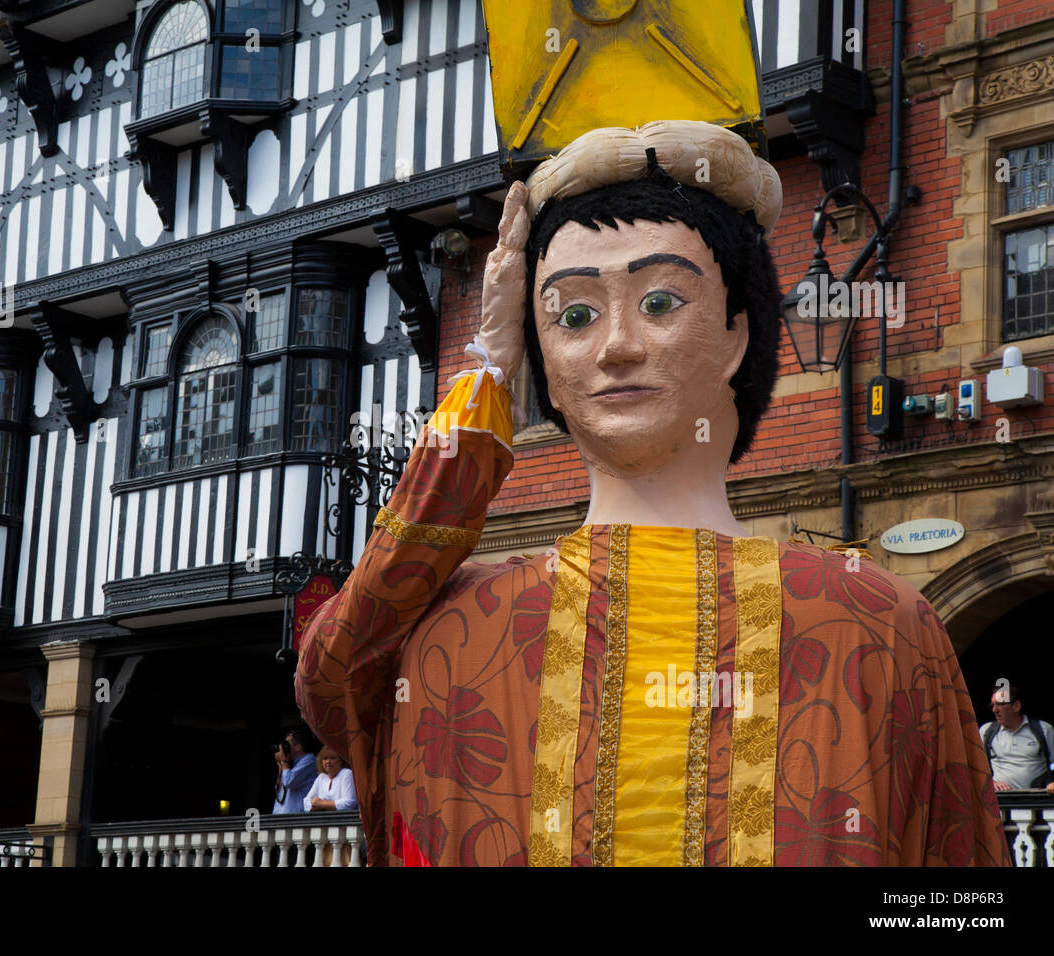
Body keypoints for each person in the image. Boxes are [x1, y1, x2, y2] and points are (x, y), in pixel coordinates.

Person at [295, 122, 1010, 866]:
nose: (617, 346)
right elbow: (333, 678)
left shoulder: (877, 624)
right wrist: (490, 369)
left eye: (662, 302)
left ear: (736, 335)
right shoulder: (460, 624)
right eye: (572, 316)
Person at [980, 682, 1054, 791]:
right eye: (993, 705)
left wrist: (1052, 781)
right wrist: (989, 782)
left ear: (1016, 706)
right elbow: (975, 767)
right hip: (1001, 803)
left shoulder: (1044, 730)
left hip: (1037, 802)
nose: (994, 710)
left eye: (1000, 704)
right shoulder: (987, 731)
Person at [272, 727, 319, 815]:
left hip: (295, 818)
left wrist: (284, 761)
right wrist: (280, 764)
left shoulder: (310, 760)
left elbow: (289, 781)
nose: (284, 748)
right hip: (280, 815)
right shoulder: (289, 764)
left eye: (286, 745)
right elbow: (279, 789)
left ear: (298, 747)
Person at [304, 748, 358, 812]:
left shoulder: (346, 774)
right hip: (323, 820)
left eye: (332, 758)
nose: (328, 761)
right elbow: (306, 802)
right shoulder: (321, 777)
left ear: (341, 760)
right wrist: (326, 806)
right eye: (325, 758)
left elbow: (349, 803)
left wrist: (321, 804)